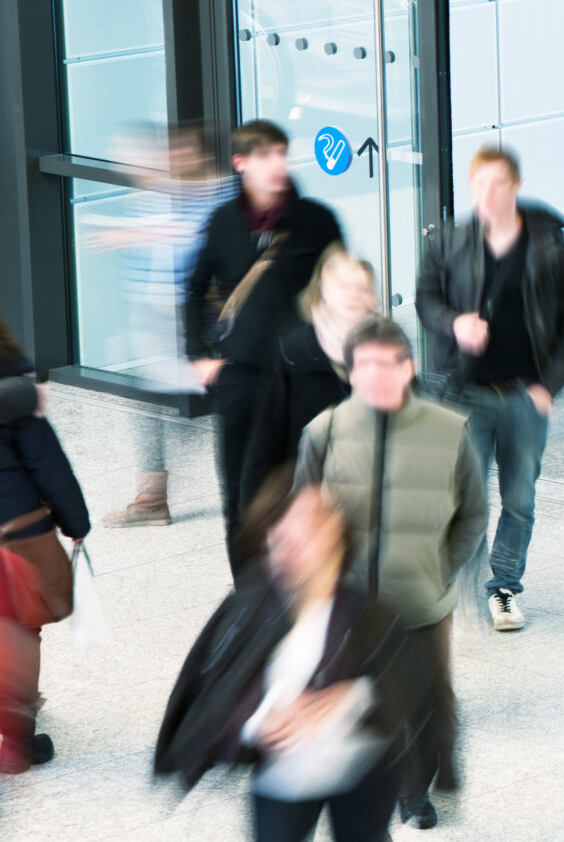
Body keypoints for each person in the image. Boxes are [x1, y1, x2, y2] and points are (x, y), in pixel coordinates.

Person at [154, 484, 419, 842]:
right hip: (280, 779)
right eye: (282, 531)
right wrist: (259, 726)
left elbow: (401, 692)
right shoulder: (252, 604)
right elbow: (213, 694)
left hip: (358, 773)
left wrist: (340, 699)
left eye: (304, 529)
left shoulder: (362, 608)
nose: (288, 542)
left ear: (332, 537)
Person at [293, 315, 487, 833]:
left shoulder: (450, 432)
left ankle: (415, 788)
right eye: (366, 365)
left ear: (409, 368)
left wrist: (441, 568)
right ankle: (377, 840)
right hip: (352, 608)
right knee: (364, 714)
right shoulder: (324, 432)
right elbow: (303, 517)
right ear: (350, 372)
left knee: (425, 706)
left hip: (423, 603)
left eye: (388, 363)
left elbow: (473, 513)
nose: (376, 375)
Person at [416, 146, 564, 632]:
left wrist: (549, 385)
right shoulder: (449, 242)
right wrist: (455, 325)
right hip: (463, 393)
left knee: (519, 498)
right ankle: (462, 585)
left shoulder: (552, 248)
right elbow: (426, 299)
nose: (486, 196)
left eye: (497, 185)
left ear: (515, 187)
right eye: (479, 186)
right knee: (465, 497)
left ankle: (506, 587)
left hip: (523, 396)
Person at [184, 120, 344, 571]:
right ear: (241, 163)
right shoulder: (222, 223)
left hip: (306, 375)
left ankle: (311, 583)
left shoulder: (315, 220)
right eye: (266, 155)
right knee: (239, 490)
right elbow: (195, 290)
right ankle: (249, 594)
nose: (279, 164)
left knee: (308, 483)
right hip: (243, 374)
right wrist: (199, 355)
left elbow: (343, 287)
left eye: (282, 153)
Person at [91, 124, 231, 527]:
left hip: (208, 325)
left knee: (228, 406)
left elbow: (201, 249)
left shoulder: (224, 197)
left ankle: (246, 493)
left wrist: (143, 234)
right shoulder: (155, 198)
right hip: (158, 325)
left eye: (182, 151)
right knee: (149, 410)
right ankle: (152, 501)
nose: (173, 159)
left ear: (202, 155)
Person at [0, 313, 90, 773]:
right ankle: (16, 733)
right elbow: (46, 462)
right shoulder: (14, 388)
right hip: (17, 528)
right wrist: (77, 522)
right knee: (20, 628)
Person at [239, 247, 378, 520]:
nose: (352, 294)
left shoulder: (388, 349)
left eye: (361, 287)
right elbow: (267, 436)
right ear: (323, 286)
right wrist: (253, 510)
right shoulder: (294, 352)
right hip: (311, 502)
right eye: (343, 285)